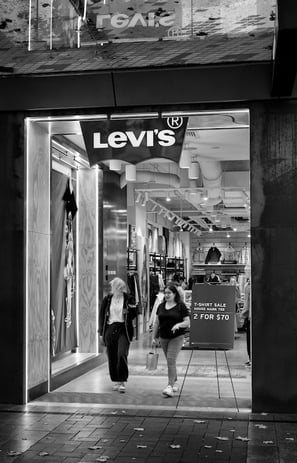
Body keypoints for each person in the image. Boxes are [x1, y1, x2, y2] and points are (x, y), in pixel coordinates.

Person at [99, 277, 137, 393]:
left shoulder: (128, 299)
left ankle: (122, 380)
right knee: (112, 355)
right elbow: (101, 317)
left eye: (121, 288)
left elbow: (134, 314)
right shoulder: (107, 299)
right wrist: (101, 333)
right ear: (113, 288)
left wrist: (131, 310)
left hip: (123, 329)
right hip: (110, 329)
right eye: (117, 288)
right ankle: (115, 380)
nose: (120, 290)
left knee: (122, 353)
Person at [152, 284, 190, 397]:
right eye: (166, 292)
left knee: (170, 360)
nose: (167, 295)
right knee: (170, 362)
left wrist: (178, 325)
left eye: (169, 293)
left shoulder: (181, 306)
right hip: (163, 337)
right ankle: (175, 382)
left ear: (175, 294)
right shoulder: (161, 306)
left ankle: (169, 386)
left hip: (177, 337)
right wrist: (154, 337)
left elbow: (187, 322)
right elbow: (156, 323)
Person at [242, 277, 251, 366]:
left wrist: (244, 314)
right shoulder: (247, 286)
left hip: (250, 317)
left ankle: (251, 358)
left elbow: (246, 303)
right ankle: (251, 358)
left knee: (250, 338)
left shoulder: (248, 286)